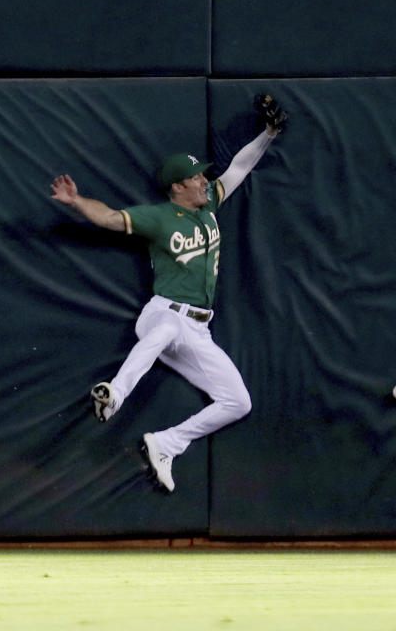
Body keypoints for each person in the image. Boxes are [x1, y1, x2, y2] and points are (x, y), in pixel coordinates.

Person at [49, 96, 287, 492]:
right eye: (196, 178)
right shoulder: (159, 217)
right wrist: (76, 202)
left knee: (238, 402)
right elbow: (109, 217)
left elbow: (240, 166)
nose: (204, 181)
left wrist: (269, 133)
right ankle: (115, 397)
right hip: (164, 313)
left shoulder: (209, 202)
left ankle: (167, 443)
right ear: (178, 187)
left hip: (199, 330)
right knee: (164, 333)